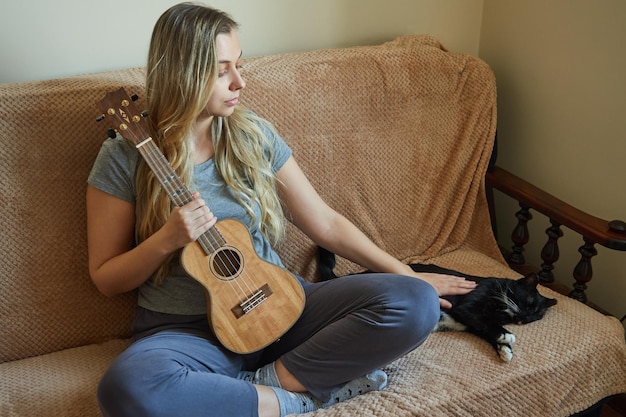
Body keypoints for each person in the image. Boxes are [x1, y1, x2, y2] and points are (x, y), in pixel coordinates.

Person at [87, 3, 476, 417]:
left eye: (239, 65)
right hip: (186, 332)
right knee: (125, 387)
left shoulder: (253, 135)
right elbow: (107, 278)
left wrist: (410, 276)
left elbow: (325, 224)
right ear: (181, 74)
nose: (239, 82)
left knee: (416, 302)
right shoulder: (125, 156)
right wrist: (166, 240)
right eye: (221, 71)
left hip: (281, 306)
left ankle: (263, 386)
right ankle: (296, 399)